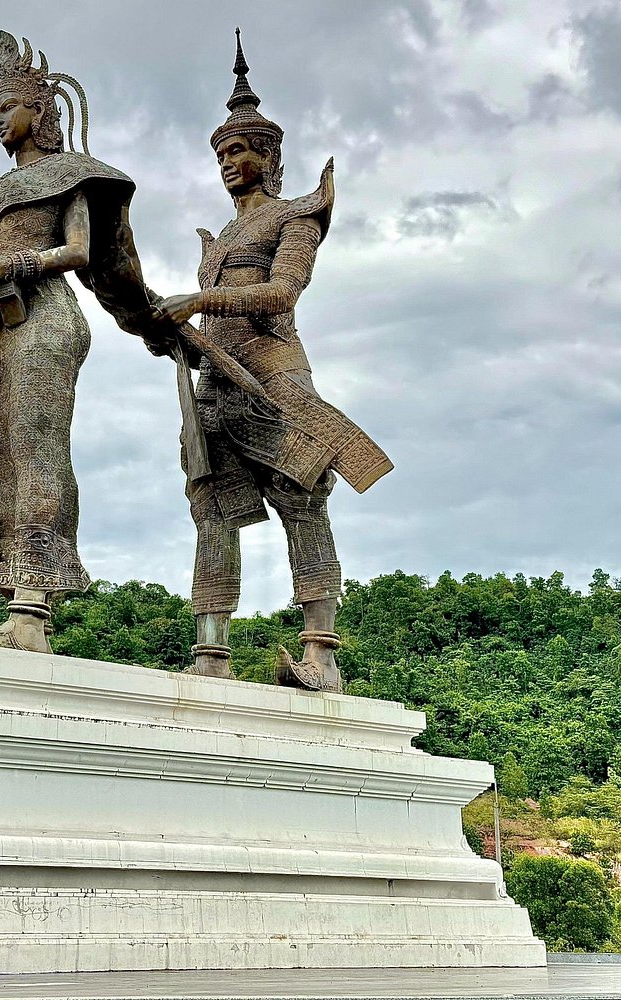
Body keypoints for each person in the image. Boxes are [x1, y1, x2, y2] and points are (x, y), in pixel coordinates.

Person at [150, 32, 392, 692]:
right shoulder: (220, 238)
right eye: (222, 152)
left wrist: (199, 296)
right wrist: (171, 328)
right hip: (213, 381)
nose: (228, 161)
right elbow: (199, 319)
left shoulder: (297, 217)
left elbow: (282, 293)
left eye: (238, 149)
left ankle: (322, 653)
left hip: (274, 370)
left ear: (268, 154)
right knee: (210, 507)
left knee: (299, 495)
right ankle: (210, 652)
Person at [0, 32, 160, 652]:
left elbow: (81, 252)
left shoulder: (71, 177)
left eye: (9, 106)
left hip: (48, 318)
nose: (0, 118)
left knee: (36, 450)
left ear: (41, 110)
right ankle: (15, 607)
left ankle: (33, 611)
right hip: (0, 329)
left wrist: (11, 267)